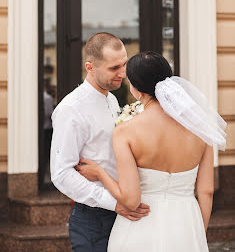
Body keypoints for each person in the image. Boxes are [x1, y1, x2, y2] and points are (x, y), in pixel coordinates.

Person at [76, 51, 227, 252]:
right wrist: (198, 233)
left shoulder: (125, 131)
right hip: (186, 225)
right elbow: (206, 191)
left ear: (136, 88)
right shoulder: (200, 127)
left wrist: (99, 173)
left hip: (140, 229)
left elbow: (131, 200)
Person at [50, 33, 150, 252]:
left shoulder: (111, 99)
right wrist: (114, 203)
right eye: (114, 68)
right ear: (90, 67)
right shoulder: (71, 110)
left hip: (121, 210)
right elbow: (61, 174)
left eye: (124, 64)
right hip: (94, 219)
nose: (123, 74)